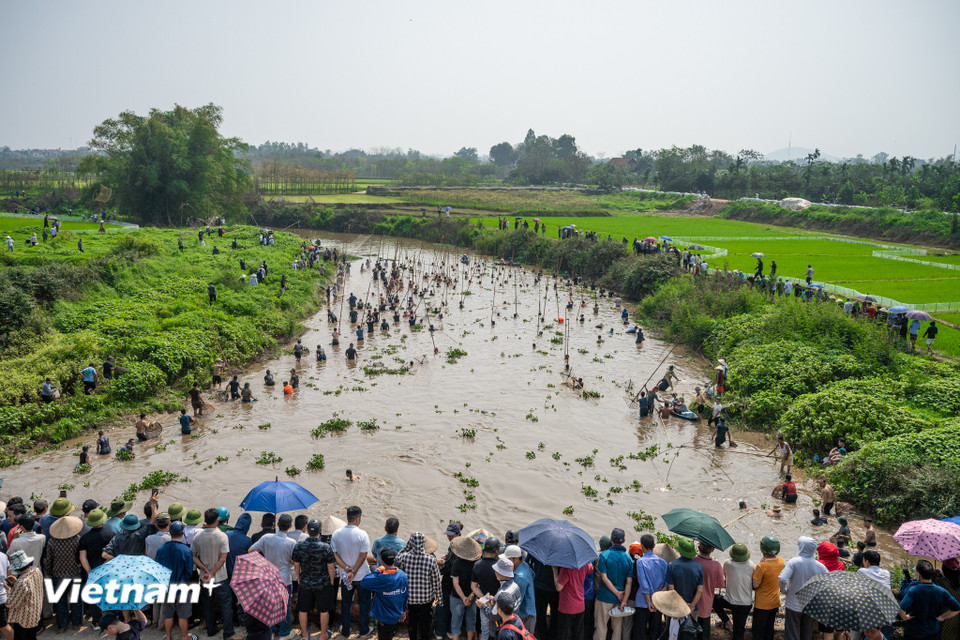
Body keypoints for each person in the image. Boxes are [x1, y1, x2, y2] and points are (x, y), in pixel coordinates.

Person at [192, 509, 237, 640]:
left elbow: (194, 557)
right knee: (226, 606)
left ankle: (211, 630)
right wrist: (212, 572)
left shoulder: (198, 536)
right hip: (220, 578)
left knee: (207, 605)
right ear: (217, 520)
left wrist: (205, 570)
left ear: (205, 520)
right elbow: (223, 559)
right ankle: (228, 633)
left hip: (204, 579)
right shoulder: (222, 536)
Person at [332, 506, 373, 638]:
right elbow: (363, 555)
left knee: (346, 603)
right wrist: (354, 570)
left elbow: (334, 554)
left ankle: (345, 630)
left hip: (345, 576)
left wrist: (346, 568)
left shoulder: (336, 534)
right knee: (364, 604)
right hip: (361, 576)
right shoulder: (362, 534)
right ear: (358, 519)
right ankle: (363, 630)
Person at [293, 519, 336, 640]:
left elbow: (296, 564)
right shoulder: (325, 547)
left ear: (307, 530)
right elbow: (331, 567)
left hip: (305, 583)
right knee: (324, 610)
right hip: (322, 584)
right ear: (320, 531)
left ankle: (305, 634)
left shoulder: (299, 546)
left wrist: (298, 578)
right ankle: (323, 635)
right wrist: (331, 581)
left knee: (303, 610)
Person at [396, 532, 441, 640]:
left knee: (412, 620)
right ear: (423, 543)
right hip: (426, 598)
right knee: (425, 620)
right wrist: (439, 596)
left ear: (411, 543)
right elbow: (436, 580)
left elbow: (397, 557)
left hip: (410, 598)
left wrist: (407, 547)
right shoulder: (431, 559)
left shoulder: (405, 557)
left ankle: (413, 638)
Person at [779, 537, 827, 640]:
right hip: (809, 606)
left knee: (792, 634)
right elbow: (828, 583)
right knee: (806, 634)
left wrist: (785, 591)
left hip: (793, 604)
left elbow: (782, 579)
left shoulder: (794, 562)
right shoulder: (820, 566)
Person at [899, 559, 960, 640]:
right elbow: (957, 608)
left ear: (918, 574)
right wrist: (942, 617)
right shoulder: (941, 591)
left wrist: (905, 617)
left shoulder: (913, 590)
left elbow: (901, 609)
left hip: (914, 631)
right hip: (933, 631)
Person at [154, 522, 196, 640]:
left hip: (166, 587)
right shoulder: (186, 550)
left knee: (168, 615)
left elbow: (157, 568)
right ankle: (184, 637)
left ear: (170, 533)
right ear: (182, 534)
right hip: (182, 586)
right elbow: (189, 571)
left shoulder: (161, 549)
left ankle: (168, 636)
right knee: (183, 615)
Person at [361, 548, 409, 640]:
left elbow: (364, 581)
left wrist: (378, 570)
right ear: (394, 560)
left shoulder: (382, 578)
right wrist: (404, 610)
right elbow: (405, 594)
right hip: (396, 614)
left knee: (385, 635)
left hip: (384, 616)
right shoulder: (402, 575)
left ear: (382, 562)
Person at [594, 528, 633, 640]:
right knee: (617, 630)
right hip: (620, 600)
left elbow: (604, 577)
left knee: (601, 628)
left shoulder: (604, 555)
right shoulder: (628, 559)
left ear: (611, 539)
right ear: (624, 540)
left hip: (604, 597)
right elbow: (629, 582)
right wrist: (624, 599)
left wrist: (616, 593)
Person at [631, 534, 665, 640]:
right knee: (654, 633)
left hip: (643, 602)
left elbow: (644, 584)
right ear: (654, 545)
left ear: (642, 547)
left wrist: (649, 602)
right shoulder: (663, 562)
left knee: (639, 633)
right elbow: (666, 584)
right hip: (658, 603)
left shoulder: (640, 562)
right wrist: (655, 601)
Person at [751, 536, 783, 640]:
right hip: (774, 602)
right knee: (769, 630)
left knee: (758, 632)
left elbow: (755, 585)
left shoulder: (762, 566)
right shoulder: (781, 562)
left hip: (762, 604)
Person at [472, 538, 502, 640]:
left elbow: (473, 586)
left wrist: (485, 599)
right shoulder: (500, 565)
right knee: (497, 629)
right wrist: (492, 601)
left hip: (483, 603)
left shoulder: (477, 565)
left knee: (484, 629)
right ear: (497, 551)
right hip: (498, 604)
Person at [693, 542, 723, 640]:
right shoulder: (716, 565)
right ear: (713, 550)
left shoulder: (692, 562)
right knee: (704, 635)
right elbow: (720, 584)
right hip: (706, 605)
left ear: (698, 548)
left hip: (691, 604)